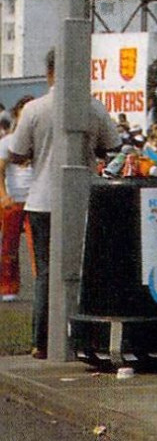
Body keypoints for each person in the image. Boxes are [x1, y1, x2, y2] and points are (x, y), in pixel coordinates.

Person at [2, 49, 121, 357]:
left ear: (49, 72)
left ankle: (40, 342)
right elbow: (114, 147)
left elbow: (15, 152)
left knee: (45, 273)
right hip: (83, 200)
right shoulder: (94, 107)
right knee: (84, 270)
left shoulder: (34, 109)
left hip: (41, 200)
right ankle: (85, 336)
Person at [0, 96, 36, 303]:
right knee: (9, 246)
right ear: (16, 116)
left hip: (35, 199)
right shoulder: (7, 142)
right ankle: (8, 287)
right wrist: (3, 195)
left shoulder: (39, 141)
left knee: (38, 246)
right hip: (13, 199)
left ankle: (43, 287)